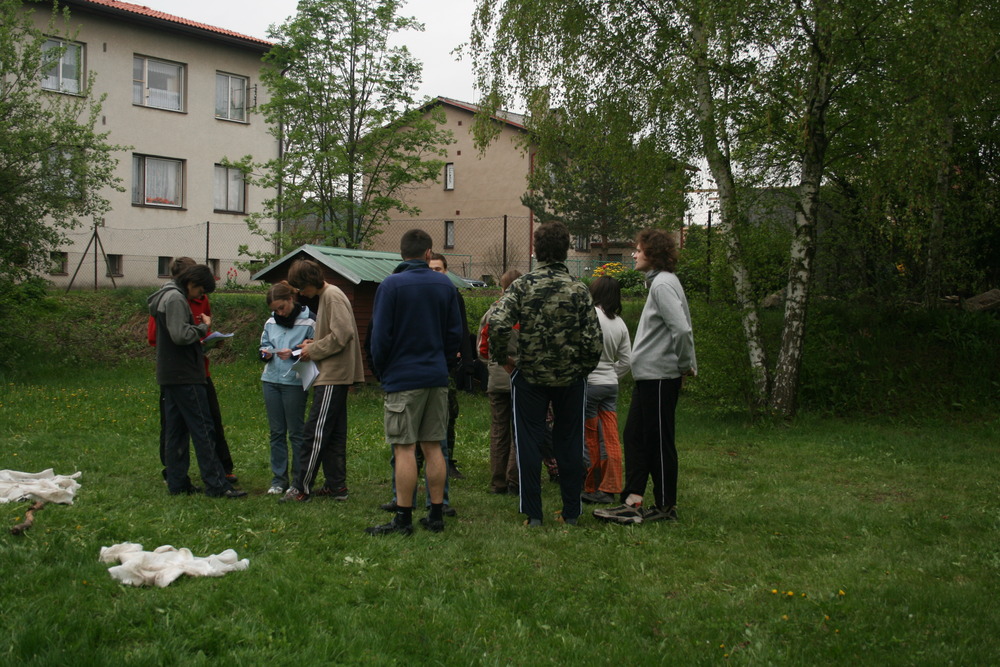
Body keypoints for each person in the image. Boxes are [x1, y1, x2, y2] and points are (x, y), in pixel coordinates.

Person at [489, 221, 603, 526]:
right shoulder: (578, 288)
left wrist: (505, 359)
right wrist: (583, 368)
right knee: (568, 441)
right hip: (569, 378)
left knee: (528, 441)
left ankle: (533, 514)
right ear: (566, 249)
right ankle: (571, 512)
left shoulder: (522, 285)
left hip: (530, 377)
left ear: (537, 250)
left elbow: (498, 323)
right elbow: (594, 340)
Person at [594, 229, 696, 525]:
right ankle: (632, 501)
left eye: (638, 250)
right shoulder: (660, 283)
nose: (635, 255)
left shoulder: (663, 284)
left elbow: (681, 329)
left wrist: (684, 365)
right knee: (635, 436)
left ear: (652, 254)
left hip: (661, 377)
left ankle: (666, 507)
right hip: (649, 377)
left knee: (658, 441)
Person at [367, 229, 462, 535]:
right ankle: (435, 515)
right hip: (436, 376)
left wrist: (383, 371)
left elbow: (379, 337)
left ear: (402, 254)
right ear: (427, 254)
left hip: (403, 377)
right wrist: (443, 364)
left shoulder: (391, 286)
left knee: (404, 448)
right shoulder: (444, 284)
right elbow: (455, 335)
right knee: (434, 446)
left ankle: (403, 518)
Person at [147, 264, 245, 498]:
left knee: (176, 431)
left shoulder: (164, 295)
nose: (201, 296)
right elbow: (180, 335)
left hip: (170, 374)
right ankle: (217, 485)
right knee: (203, 428)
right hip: (186, 374)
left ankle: (178, 483)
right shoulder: (176, 299)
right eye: (201, 291)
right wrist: (203, 329)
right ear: (192, 283)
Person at [280, 259, 365, 502]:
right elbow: (332, 332)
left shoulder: (332, 295)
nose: (301, 293)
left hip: (332, 375)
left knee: (314, 431)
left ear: (310, 281)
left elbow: (342, 334)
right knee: (334, 434)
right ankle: (337, 487)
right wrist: (312, 343)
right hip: (332, 374)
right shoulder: (328, 295)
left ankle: (301, 488)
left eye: (301, 287)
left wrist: (313, 351)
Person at [259, 281, 315, 495]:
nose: (279, 313)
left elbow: (314, 347)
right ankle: (278, 480)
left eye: (281, 307)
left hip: (294, 381)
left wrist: (292, 353)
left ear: (291, 299)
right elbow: (263, 345)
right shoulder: (270, 322)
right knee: (276, 432)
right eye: (275, 310)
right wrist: (265, 353)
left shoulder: (309, 320)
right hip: (271, 380)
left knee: (296, 432)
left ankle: (298, 480)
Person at [581, 276, 632, 504]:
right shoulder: (619, 323)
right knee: (610, 438)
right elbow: (627, 360)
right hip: (610, 386)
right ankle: (611, 486)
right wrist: (613, 375)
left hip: (590, 384)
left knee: (590, 437)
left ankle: (591, 487)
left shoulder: (590, 316)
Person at [427, 252, 474, 479]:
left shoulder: (454, 295)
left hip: (449, 366)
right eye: (431, 269)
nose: (436, 273)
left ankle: (448, 460)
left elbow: (463, 330)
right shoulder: (422, 294)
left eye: (439, 269)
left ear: (446, 271)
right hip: (427, 363)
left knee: (449, 413)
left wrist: (466, 361)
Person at [477, 269, 522, 495]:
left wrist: (493, 365)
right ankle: (514, 479)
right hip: (521, 378)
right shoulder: (526, 312)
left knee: (499, 430)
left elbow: (482, 350)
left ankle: (497, 482)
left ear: (502, 288)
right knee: (519, 430)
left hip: (496, 379)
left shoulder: (492, 312)